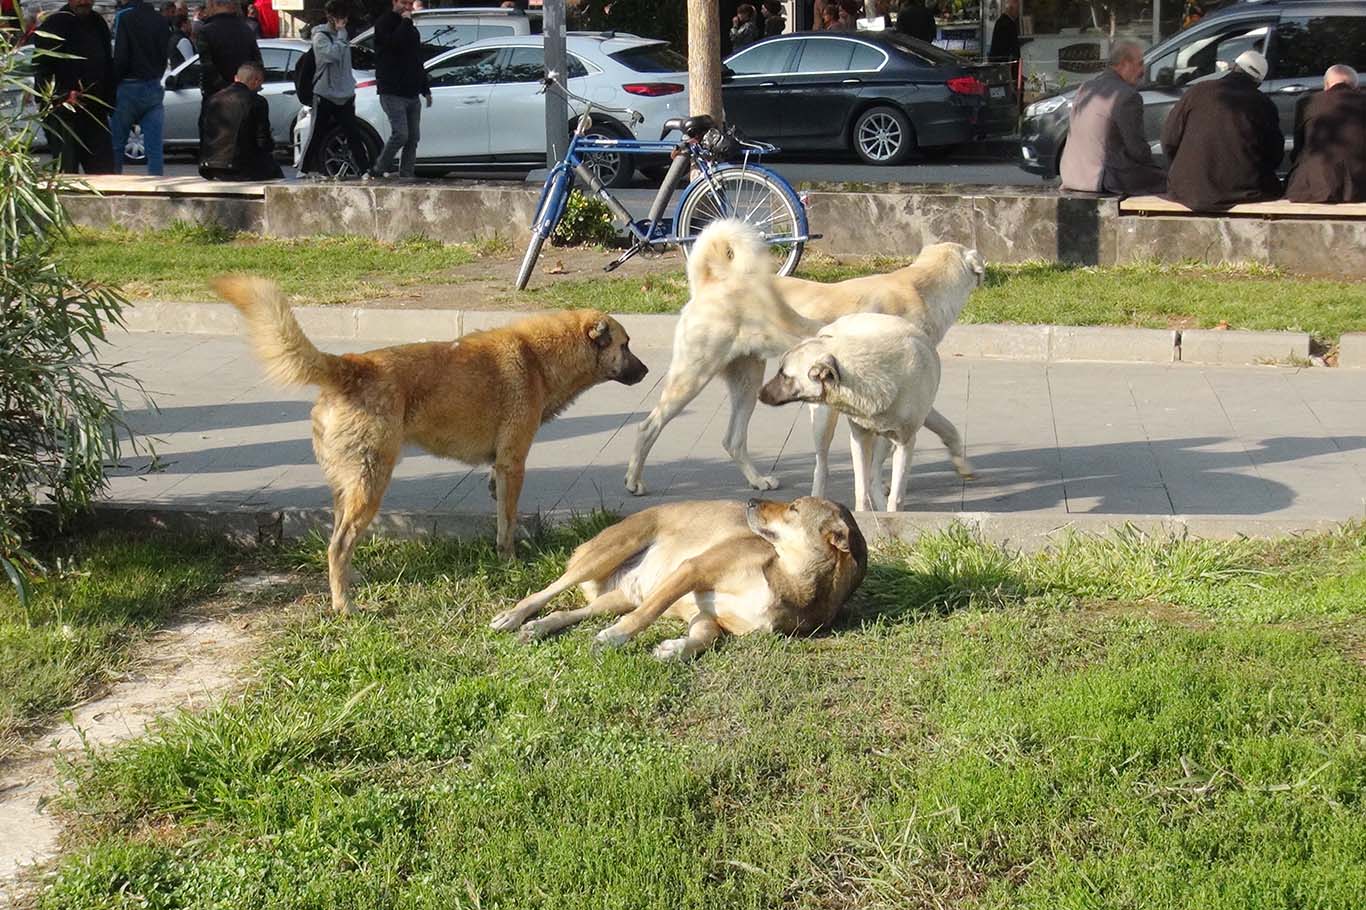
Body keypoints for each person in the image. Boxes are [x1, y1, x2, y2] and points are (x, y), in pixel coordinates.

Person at [1160, 50, 1283, 210]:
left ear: (1233, 67)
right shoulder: (1263, 103)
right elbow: (1274, 155)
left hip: (1187, 190)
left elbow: (1169, 139)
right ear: (1258, 81)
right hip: (1243, 191)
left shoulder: (1197, 91)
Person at [1060, 40, 1165, 196]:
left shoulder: (1086, 88)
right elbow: (1137, 149)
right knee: (1173, 179)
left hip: (1072, 176)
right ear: (1124, 64)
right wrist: (1158, 166)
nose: (1143, 70)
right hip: (1105, 179)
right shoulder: (1127, 95)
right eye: (1140, 64)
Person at [33, 0, 115, 173]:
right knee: (66, 174)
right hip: (64, 116)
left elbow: (108, 64)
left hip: (95, 112)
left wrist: (109, 101)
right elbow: (42, 71)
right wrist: (63, 96)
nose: (84, 2)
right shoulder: (54, 24)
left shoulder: (98, 23)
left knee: (104, 173)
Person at [301, 0, 372, 175]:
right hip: (325, 93)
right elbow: (332, 56)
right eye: (339, 18)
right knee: (317, 133)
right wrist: (341, 34)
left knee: (353, 132)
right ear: (330, 17)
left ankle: (365, 170)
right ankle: (306, 168)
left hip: (345, 93)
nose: (343, 21)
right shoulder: (320, 36)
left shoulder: (343, 34)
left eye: (344, 18)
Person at [1286, 65, 1366, 203]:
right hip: (1361, 188)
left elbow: (1298, 149)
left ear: (1326, 85)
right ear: (1355, 87)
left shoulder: (1307, 103)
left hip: (1315, 188)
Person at [369, 0, 431, 178]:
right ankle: (379, 167)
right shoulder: (384, 24)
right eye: (404, 2)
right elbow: (394, 44)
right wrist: (405, 22)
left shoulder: (410, 27)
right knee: (401, 134)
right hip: (392, 90)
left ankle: (406, 173)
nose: (408, 7)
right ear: (394, 2)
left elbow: (416, 59)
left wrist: (424, 88)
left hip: (411, 91)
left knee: (413, 138)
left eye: (410, 3)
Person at [110, 0, 171, 174]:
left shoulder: (125, 17)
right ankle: (157, 186)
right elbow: (163, 55)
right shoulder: (160, 19)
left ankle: (113, 185)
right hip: (152, 84)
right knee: (154, 148)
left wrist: (114, 80)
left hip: (128, 84)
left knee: (117, 146)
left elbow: (121, 54)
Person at [199, 60, 283, 179]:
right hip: (238, 168)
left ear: (235, 78)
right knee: (273, 169)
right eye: (261, 84)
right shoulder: (257, 101)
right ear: (256, 80)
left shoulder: (213, 99)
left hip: (208, 167)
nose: (261, 88)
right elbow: (263, 142)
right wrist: (272, 146)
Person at [196, 0, 260, 97]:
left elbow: (207, 68)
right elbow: (257, 63)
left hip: (217, 99)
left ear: (213, 4)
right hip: (245, 96)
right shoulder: (246, 29)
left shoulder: (206, 32)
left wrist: (227, 89)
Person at [989, 0, 1021, 83]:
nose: (1018, 13)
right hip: (1006, 64)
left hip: (996, 63)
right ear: (1011, 10)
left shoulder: (1000, 21)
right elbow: (1014, 48)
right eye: (1017, 10)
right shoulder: (1010, 24)